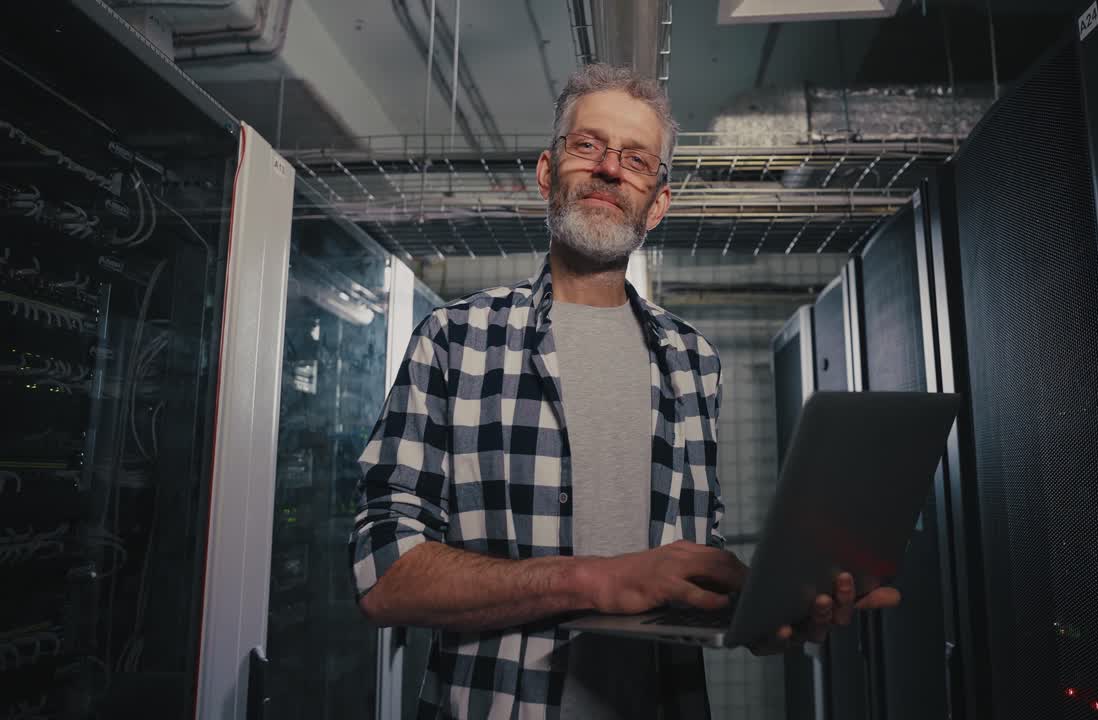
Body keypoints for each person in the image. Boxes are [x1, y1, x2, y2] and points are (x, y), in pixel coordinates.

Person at [349, 63, 901, 719]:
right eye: (588, 146)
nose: (610, 169)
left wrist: (768, 607)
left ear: (657, 203)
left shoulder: (694, 361)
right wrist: (594, 579)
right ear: (549, 171)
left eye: (637, 160)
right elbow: (385, 576)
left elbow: (680, 570)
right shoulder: (455, 339)